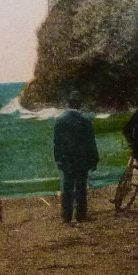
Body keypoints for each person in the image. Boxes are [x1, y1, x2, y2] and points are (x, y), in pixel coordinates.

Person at [52, 96, 99, 224]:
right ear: (80, 104)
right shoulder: (85, 120)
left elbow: (57, 143)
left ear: (68, 104)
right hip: (81, 159)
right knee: (81, 187)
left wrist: (58, 160)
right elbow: (91, 143)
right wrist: (94, 159)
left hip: (66, 159)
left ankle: (66, 216)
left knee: (66, 188)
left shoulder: (60, 120)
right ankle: (81, 215)